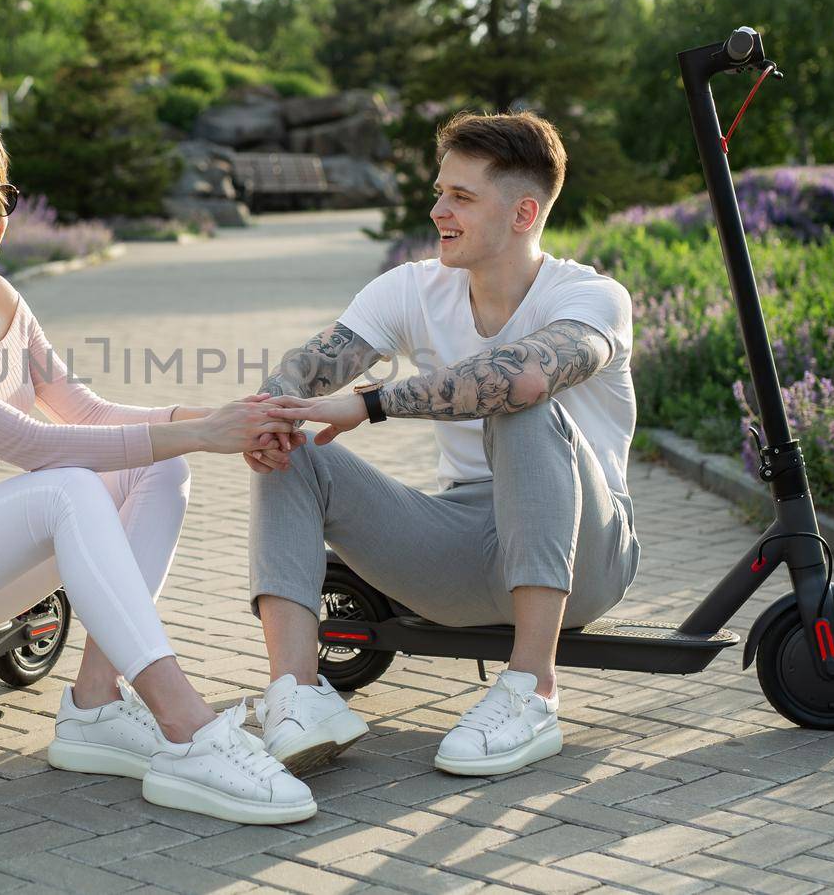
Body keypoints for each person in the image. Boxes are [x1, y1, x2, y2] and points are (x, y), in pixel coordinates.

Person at [0, 116, 316, 825]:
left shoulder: (1, 299)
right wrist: (205, 433)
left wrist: (224, 417)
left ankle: (96, 702)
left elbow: (87, 413)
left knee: (157, 472)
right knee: (67, 486)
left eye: (0, 196)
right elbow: (39, 447)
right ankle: (191, 729)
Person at [242, 110, 640, 778]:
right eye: (439, 191)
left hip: (585, 554)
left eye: (461, 196)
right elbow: (307, 368)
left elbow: (525, 377)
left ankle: (532, 691)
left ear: (522, 213)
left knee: (519, 401)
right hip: (460, 549)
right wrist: (274, 408)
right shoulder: (413, 287)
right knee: (296, 449)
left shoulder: (593, 297)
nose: (437, 210)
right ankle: (297, 694)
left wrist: (371, 403)